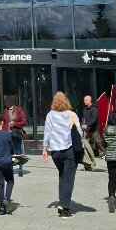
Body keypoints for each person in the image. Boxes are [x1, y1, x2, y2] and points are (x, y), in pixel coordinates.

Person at [41, 91, 83, 220]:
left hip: (55, 152)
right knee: (69, 179)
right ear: (66, 101)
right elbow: (79, 133)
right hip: (69, 150)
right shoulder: (72, 114)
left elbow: (47, 132)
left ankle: (61, 200)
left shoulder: (50, 115)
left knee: (62, 175)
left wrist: (44, 149)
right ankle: (65, 208)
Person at [3, 95, 27, 176]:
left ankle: (20, 169)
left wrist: (15, 124)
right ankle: (9, 169)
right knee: (9, 152)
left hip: (16, 133)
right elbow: (4, 123)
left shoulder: (18, 110)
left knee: (17, 151)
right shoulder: (6, 111)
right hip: (7, 134)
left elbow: (24, 121)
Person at [80, 95, 99, 170]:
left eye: (85, 100)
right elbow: (83, 117)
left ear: (89, 100)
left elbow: (94, 119)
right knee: (85, 146)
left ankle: (103, 154)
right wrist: (82, 124)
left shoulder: (94, 109)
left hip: (94, 129)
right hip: (86, 130)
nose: (84, 101)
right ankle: (88, 163)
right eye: (84, 100)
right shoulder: (84, 109)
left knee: (99, 143)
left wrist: (87, 125)